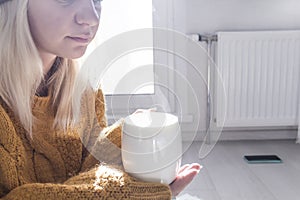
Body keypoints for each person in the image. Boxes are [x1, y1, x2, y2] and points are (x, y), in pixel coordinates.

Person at [0, 0, 201, 199]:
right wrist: (130, 194)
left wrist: (122, 137)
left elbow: (82, 171)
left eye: (96, 0)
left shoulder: (84, 88)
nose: (92, 18)